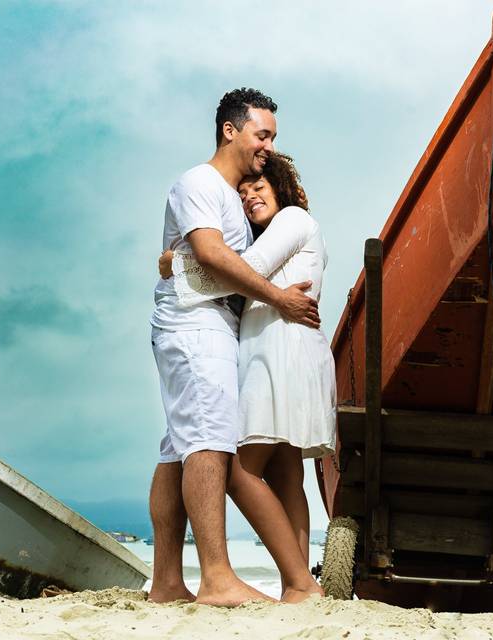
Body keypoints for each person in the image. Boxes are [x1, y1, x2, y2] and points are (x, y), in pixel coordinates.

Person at [148, 88, 321, 607]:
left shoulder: (234, 202)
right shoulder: (199, 182)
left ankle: (166, 582)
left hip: (209, 323)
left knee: (179, 447)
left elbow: (209, 258)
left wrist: (175, 264)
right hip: (195, 324)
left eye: (272, 138)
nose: (267, 145)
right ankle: (218, 576)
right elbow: (210, 252)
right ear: (231, 130)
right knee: (208, 442)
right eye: (261, 134)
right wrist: (278, 300)